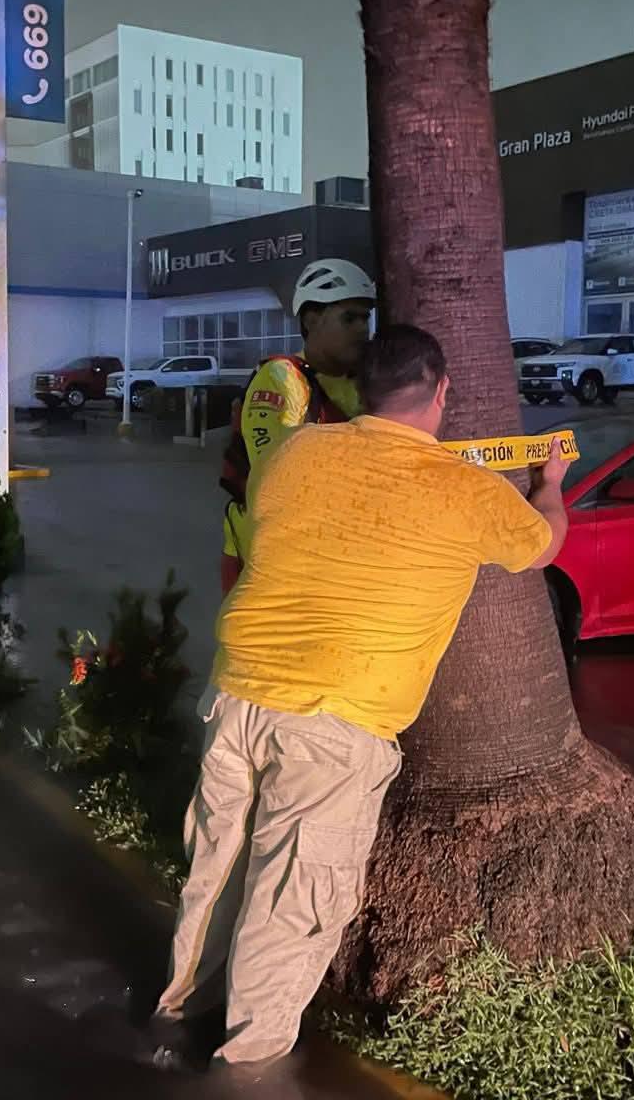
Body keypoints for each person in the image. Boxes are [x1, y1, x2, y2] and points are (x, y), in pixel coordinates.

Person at [155, 323, 571, 1069]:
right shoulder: (462, 490)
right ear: (442, 391)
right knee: (291, 906)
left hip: (239, 694)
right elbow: (544, 544)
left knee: (217, 870)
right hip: (334, 721)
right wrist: (551, 482)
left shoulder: (292, 455)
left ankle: (176, 1012)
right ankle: (245, 1069)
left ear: (360, 391)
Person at [218, 258, 375, 596]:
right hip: (264, 566)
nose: (363, 329)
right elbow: (276, 476)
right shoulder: (281, 379)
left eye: (366, 318)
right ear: (311, 320)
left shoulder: (365, 383)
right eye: (349, 318)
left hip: (333, 560)